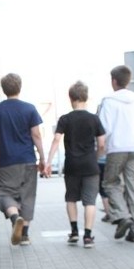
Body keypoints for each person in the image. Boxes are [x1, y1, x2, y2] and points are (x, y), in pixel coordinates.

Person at [0, 73, 46, 246]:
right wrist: (42, 158)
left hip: (7, 162)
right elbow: (36, 134)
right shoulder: (30, 109)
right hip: (28, 159)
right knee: (27, 195)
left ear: (3, 89)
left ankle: (14, 217)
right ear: (20, 87)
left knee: (5, 193)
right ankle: (25, 235)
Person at [45, 81, 106, 248]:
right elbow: (101, 144)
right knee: (90, 202)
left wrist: (49, 162)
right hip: (90, 165)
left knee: (71, 198)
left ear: (70, 98)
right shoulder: (94, 119)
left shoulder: (65, 119)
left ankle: (73, 232)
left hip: (72, 165)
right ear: (86, 98)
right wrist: (96, 156)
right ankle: (87, 236)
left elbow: (56, 140)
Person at [98, 65, 134, 242]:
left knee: (110, 183)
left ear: (114, 81)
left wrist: (102, 148)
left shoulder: (109, 101)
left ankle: (122, 215)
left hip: (117, 149)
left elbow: (105, 129)